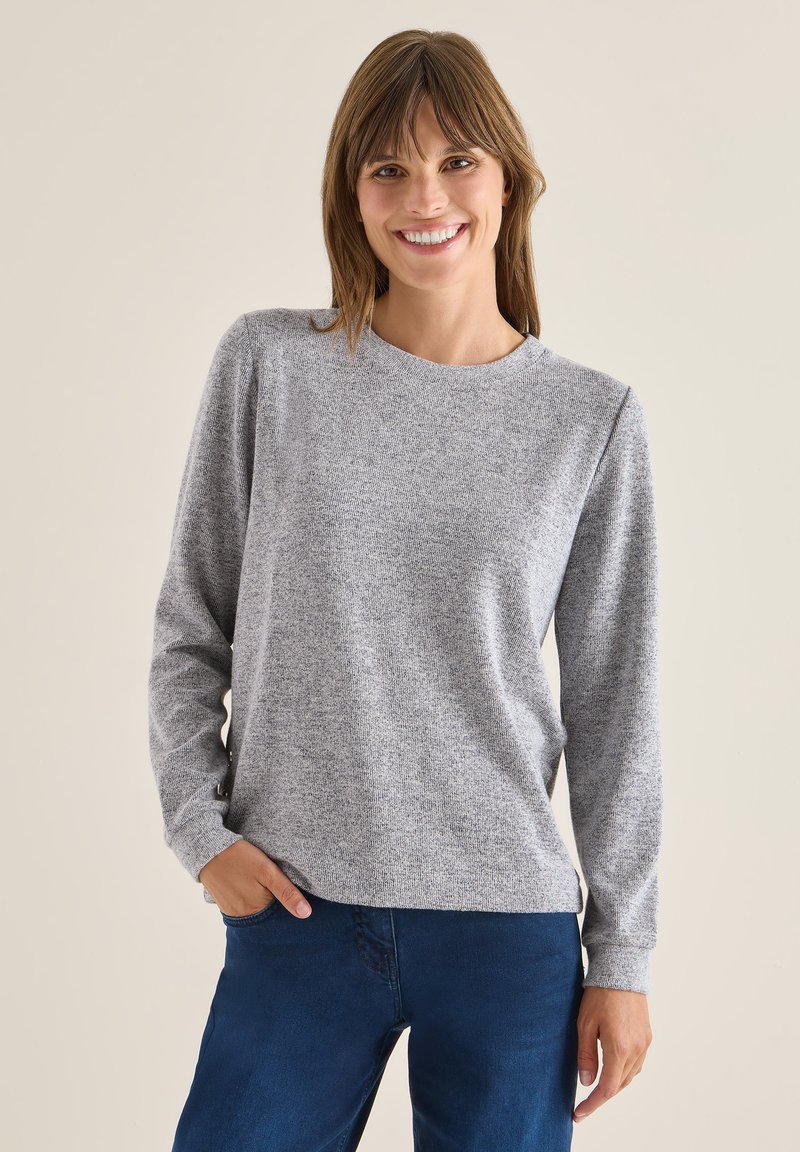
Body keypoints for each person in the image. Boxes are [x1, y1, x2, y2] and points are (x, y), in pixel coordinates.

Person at [148, 27, 663, 1152]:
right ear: (351, 190)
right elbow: (192, 625)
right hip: (296, 908)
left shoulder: (589, 420)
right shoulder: (268, 367)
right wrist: (198, 829)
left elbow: (616, 705)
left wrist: (621, 958)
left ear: (509, 179)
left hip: (507, 932)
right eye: (388, 167)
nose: (425, 197)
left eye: (456, 160)